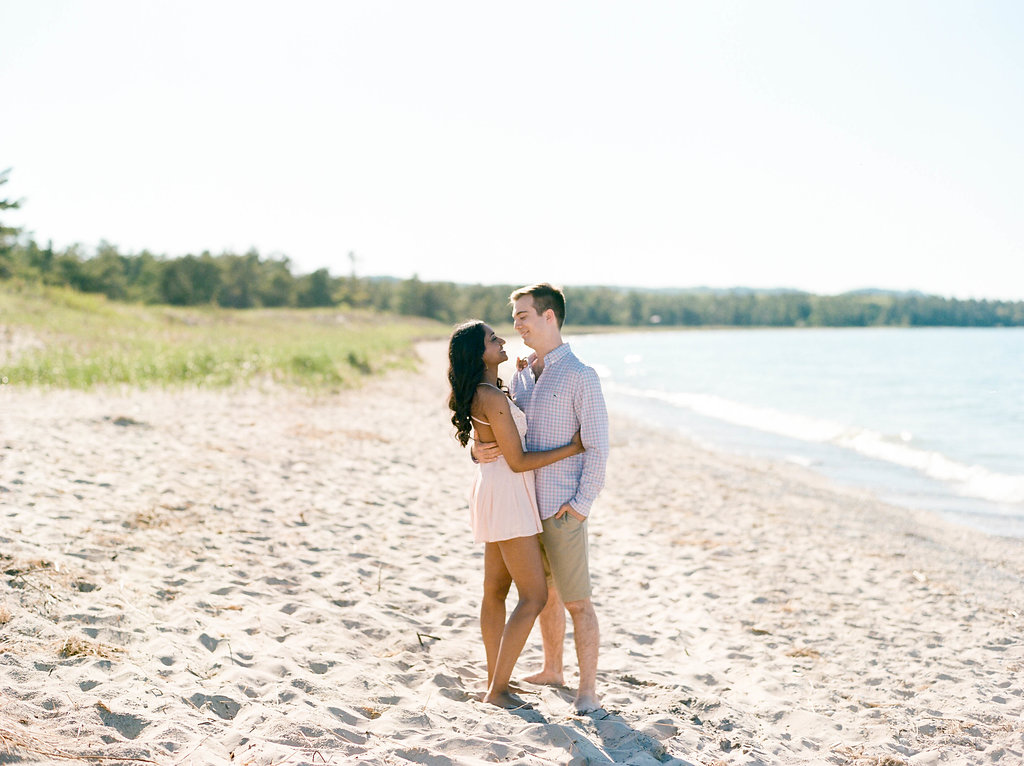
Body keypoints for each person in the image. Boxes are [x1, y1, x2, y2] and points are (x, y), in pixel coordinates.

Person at [474, 283, 609, 714]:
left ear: (549, 316)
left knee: (577, 601)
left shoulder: (581, 376)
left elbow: (599, 447)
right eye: (514, 317)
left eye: (523, 315)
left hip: (562, 508)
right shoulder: (522, 374)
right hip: (524, 509)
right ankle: (554, 669)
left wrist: (582, 505)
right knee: (544, 595)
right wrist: (475, 449)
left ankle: (587, 690)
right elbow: (498, 429)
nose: (516, 324)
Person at [448, 320, 585, 709]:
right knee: (535, 595)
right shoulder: (489, 396)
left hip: (494, 489)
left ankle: (497, 679)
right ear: (479, 353)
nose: (502, 340)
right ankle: (498, 690)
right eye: (493, 339)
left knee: (495, 590)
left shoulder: (488, 392)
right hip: (508, 494)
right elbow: (520, 461)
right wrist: (572, 448)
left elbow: (497, 437)